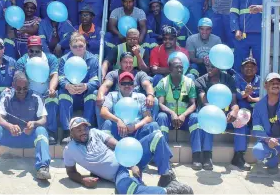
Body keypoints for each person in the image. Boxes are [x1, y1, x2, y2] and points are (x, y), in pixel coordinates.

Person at [63, 117, 193, 194]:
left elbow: (118, 145)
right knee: (129, 190)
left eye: (85, 128)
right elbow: (71, 171)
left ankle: (166, 176)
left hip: (129, 158)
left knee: (157, 137)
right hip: (118, 174)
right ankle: (170, 192)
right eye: (79, 130)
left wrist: (132, 163)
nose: (84, 132)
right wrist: (82, 180)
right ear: (71, 132)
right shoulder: (69, 150)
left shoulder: (95, 132)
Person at [0, 71, 51, 180]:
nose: (22, 91)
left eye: (25, 88)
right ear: (13, 85)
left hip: (29, 136)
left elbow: (43, 119)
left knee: (41, 131)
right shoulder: (6, 95)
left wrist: (34, 123)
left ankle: (43, 168)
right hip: (10, 136)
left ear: (28, 86)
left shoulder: (36, 97)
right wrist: (9, 126)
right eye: (18, 88)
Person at [195, 57, 250, 171]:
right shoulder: (200, 81)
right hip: (211, 114)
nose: (209, 68)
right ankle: (207, 155)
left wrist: (234, 111)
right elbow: (205, 103)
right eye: (207, 66)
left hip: (226, 117)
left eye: (213, 66)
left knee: (240, 119)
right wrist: (218, 115)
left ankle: (239, 156)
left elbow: (234, 103)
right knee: (209, 116)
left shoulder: (228, 79)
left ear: (219, 67)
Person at [154, 57, 203, 170]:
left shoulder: (188, 82)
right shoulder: (163, 82)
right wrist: (172, 113)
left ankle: (196, 156)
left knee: (195, 117)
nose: (180, 69)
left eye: (181, 67)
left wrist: (183, 115)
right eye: (177, 67)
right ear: (170, 68)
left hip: (184, 118)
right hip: (170, 118)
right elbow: (160, 104)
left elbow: (193, 104)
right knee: (161, 117)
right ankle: (163, 156)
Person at [58, 32, 99, 144]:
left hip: (84, 92)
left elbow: (95, 79)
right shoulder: (64, 60)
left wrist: (86, 86)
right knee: (62, 92)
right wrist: (67, 86)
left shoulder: (93, 59)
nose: (78, 49)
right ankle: (67, 131)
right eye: (75, 47)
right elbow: (61, 78)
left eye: (81, 46)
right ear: (70, 47)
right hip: (70, 92)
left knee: (93, 93)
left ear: (85, 45)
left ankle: (87, 129)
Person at [16, 36, 59, 144]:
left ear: (42, 49)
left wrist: (51, 89)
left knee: (52, 100)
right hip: (29, 93)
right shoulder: (21, 61)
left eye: (37, 51)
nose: (34, 53)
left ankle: (51, 133)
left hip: (46, 92)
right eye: (31, 51)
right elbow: (19, 79)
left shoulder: (51, 58)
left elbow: (55, 75)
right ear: (27, 50)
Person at [252, 73, 280, 184]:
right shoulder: (259, 106)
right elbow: (257, 128)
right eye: (272, 82)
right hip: (270, 141)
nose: (275, 85)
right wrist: (267, 139)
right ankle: (272, 162)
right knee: (258, 150)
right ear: (265, 86)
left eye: (278, 82)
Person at [96, 52, 155, 127]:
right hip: (117, 104)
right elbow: (106, 85)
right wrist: (100, 95)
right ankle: (102, 127)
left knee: (154, 100)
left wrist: (150, 95)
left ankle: (150, 125)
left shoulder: (140, 74)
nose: (128, 65)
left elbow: (147, 85)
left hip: (137, 103)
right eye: (125, 62)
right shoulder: (113, 74)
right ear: (120, 63)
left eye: (130, 63)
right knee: (97, 95)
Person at [100, 71, 158, 140]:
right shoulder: (112, 95)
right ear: (119, 85)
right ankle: (107, 148)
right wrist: (118, 121)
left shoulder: (141, 97)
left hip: (137, 131)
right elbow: (103, 112)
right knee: (107, 123)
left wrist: (135, 127)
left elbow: (148, 118)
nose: (127, 86)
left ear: (133, 85)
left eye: (130, 83)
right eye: (123, 83)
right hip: (118, 131)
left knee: (154, 125)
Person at [230, 0, 263, 74]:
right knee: (239, 62)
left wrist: (261, 8)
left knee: (260, 63)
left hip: (260, 33)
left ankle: (259, 88)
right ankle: (239, 87)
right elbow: (233, 11)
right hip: (242, 33)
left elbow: (273, 7)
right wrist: (236, 29)